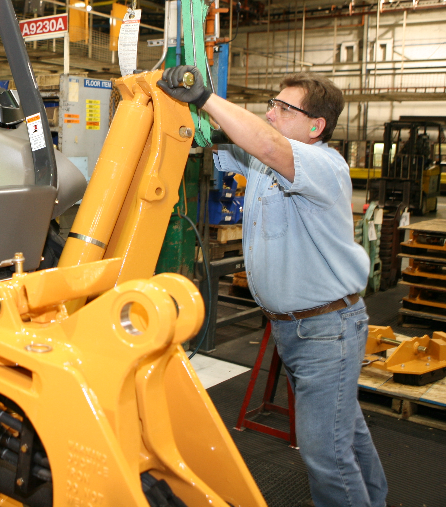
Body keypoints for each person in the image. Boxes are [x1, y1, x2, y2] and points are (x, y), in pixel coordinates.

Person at [158, 66, 388, 507]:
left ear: (315, 125)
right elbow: (236, 141)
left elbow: (265, 141)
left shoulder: (322, 164)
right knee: (347, 436)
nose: (271, 112)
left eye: (284, 108)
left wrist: (204, 95)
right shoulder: (265, 163)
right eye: (272, 104)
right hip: (296, 330)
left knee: (326, 455)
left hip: (326, 331)